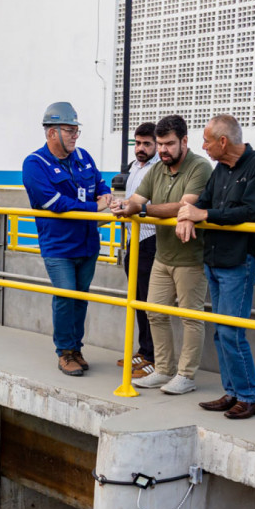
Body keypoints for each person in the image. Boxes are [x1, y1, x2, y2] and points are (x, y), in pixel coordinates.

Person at [177, 115, 255, 419]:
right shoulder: (220, 168)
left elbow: (251, 211)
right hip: (214, 259)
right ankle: (232, 392)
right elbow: (203, 203)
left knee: (232, 331)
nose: (203, 146)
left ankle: (249, 396)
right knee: (222, 333)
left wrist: (201, 214)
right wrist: (187, 215)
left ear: (223, 141)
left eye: (207, 140)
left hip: (239, 261)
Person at [111, 115, 211, 395]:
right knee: (154, 312)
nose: (164, 150)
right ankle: (163, 370)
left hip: (191, 257)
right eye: (160, 144)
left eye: (169, 144)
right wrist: (123, 206)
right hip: (162, 255)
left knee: (191, 317)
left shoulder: (200, 167)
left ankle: (186, 375)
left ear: (184, 141)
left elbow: (184, 206)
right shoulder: (156, 170)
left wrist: (141, 210)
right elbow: (137, 201)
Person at [22, 101, 112, 376]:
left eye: (76, 131)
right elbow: (55, 202)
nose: (75, 135)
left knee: (81, 298)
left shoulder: (83, 156)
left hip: (87, 243)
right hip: (59, 246)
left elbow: (99, 183)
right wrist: (96, 207)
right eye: (70, 130)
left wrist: (105, 194)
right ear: (51, 133)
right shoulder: (35, 164)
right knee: (65, 296)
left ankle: (76, 348)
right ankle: (64, 352)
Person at [118, 122, 159, 379]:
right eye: (138, 143)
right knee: (136, 299)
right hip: (134, 240)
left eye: (147, 144)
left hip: (151, 240)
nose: (141, 149)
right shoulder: (135, 167)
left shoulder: (158, 169)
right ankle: (144, 351)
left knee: (149, 301)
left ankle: (153, 358)